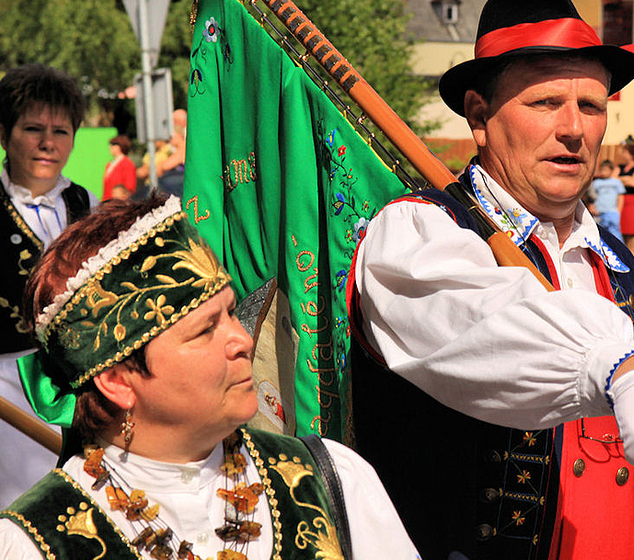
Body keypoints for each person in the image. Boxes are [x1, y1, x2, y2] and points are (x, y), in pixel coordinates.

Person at [349, 0, 634, 560]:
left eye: (591, 106)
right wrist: (620, 367)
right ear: (480, 116)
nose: (574, 128)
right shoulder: (418, 234)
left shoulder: (616, 260)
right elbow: (493, 327)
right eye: (546, 103)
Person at [0, 194, 420, 560]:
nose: (243, 341)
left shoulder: (331, 480)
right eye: (204, 330)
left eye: (231, 313)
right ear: (118, 381)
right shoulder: (35, 543)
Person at [0, 63, 98, 509]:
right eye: (33, 128)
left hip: (78, 388)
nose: (48, 143)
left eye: (61, 131)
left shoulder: (86, 205)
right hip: (6, 388)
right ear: (5, 135)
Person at [590, 159, 625, 241]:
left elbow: (621, 197)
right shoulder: (596, 182)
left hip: (612, 212)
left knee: (615, 233)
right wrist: (593, 208)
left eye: (606, 170)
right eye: (602, 170)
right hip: (599, 212)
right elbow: (592, 197)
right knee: (599, 233)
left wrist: (618, 211)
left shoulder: (616, 182)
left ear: (611, 170)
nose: (604, 172)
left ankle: (617, 248)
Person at [103, 134, 136, 201]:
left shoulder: (127, 163)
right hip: (108, 201)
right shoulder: (109, 164)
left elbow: (130, 187)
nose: (110, 147)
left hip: (119, 203)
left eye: (113, 145)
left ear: (120, 147)